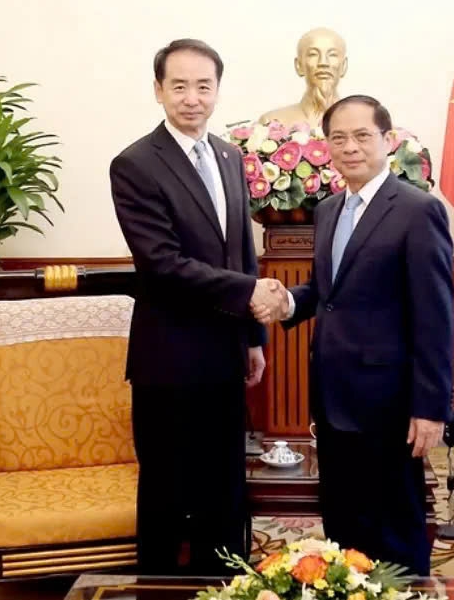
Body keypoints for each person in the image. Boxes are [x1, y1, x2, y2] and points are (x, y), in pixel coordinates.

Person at [253, 95, 454, 575]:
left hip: (391, 402)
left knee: (396, 523)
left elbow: (435, 315)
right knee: (344, 521)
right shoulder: (328, 210)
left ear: (387, 140)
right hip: (332, 396)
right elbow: (328, 291)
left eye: (362, 136)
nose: (350, 147)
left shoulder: (417, 210)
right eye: (338, 138)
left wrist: (431, 408)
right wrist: (288, 303)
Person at [110, 38, 288, 575]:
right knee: (167, 486)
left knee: (223, 482)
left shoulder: (230, 156)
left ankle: (224, 581)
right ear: (158, 90)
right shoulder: (135, 164)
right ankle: (160, 587)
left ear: (217, 90)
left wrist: (253, 340)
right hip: (168, 358)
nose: (192, 98)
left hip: (224, 353)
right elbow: (162, 263)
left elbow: (241, 253)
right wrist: (248, 295)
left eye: (203, 86)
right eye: (179, 86)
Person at [257, 27, 348, 128]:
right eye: (313, 54)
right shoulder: (273, 123)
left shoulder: (365, 122)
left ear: (344, 66)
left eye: (332, 55)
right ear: (299, 65)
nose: (323, 62)